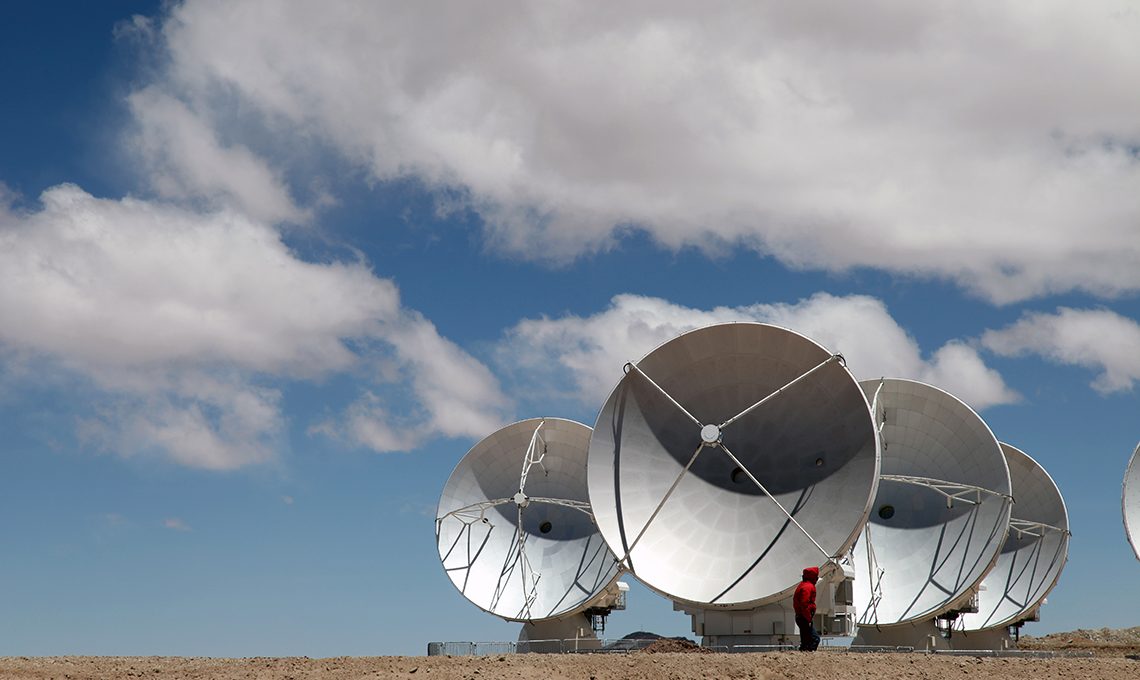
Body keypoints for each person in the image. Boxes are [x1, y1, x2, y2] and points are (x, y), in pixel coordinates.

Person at [793, 566, 821, 652]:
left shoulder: (802, 585)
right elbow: (804, 603)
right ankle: (809, 657)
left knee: (806, 641)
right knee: (815, 639)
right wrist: (808, 617)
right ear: (813, 577)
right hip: (804, 616)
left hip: (800, 616)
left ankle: (804, 653)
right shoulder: (808, 587)